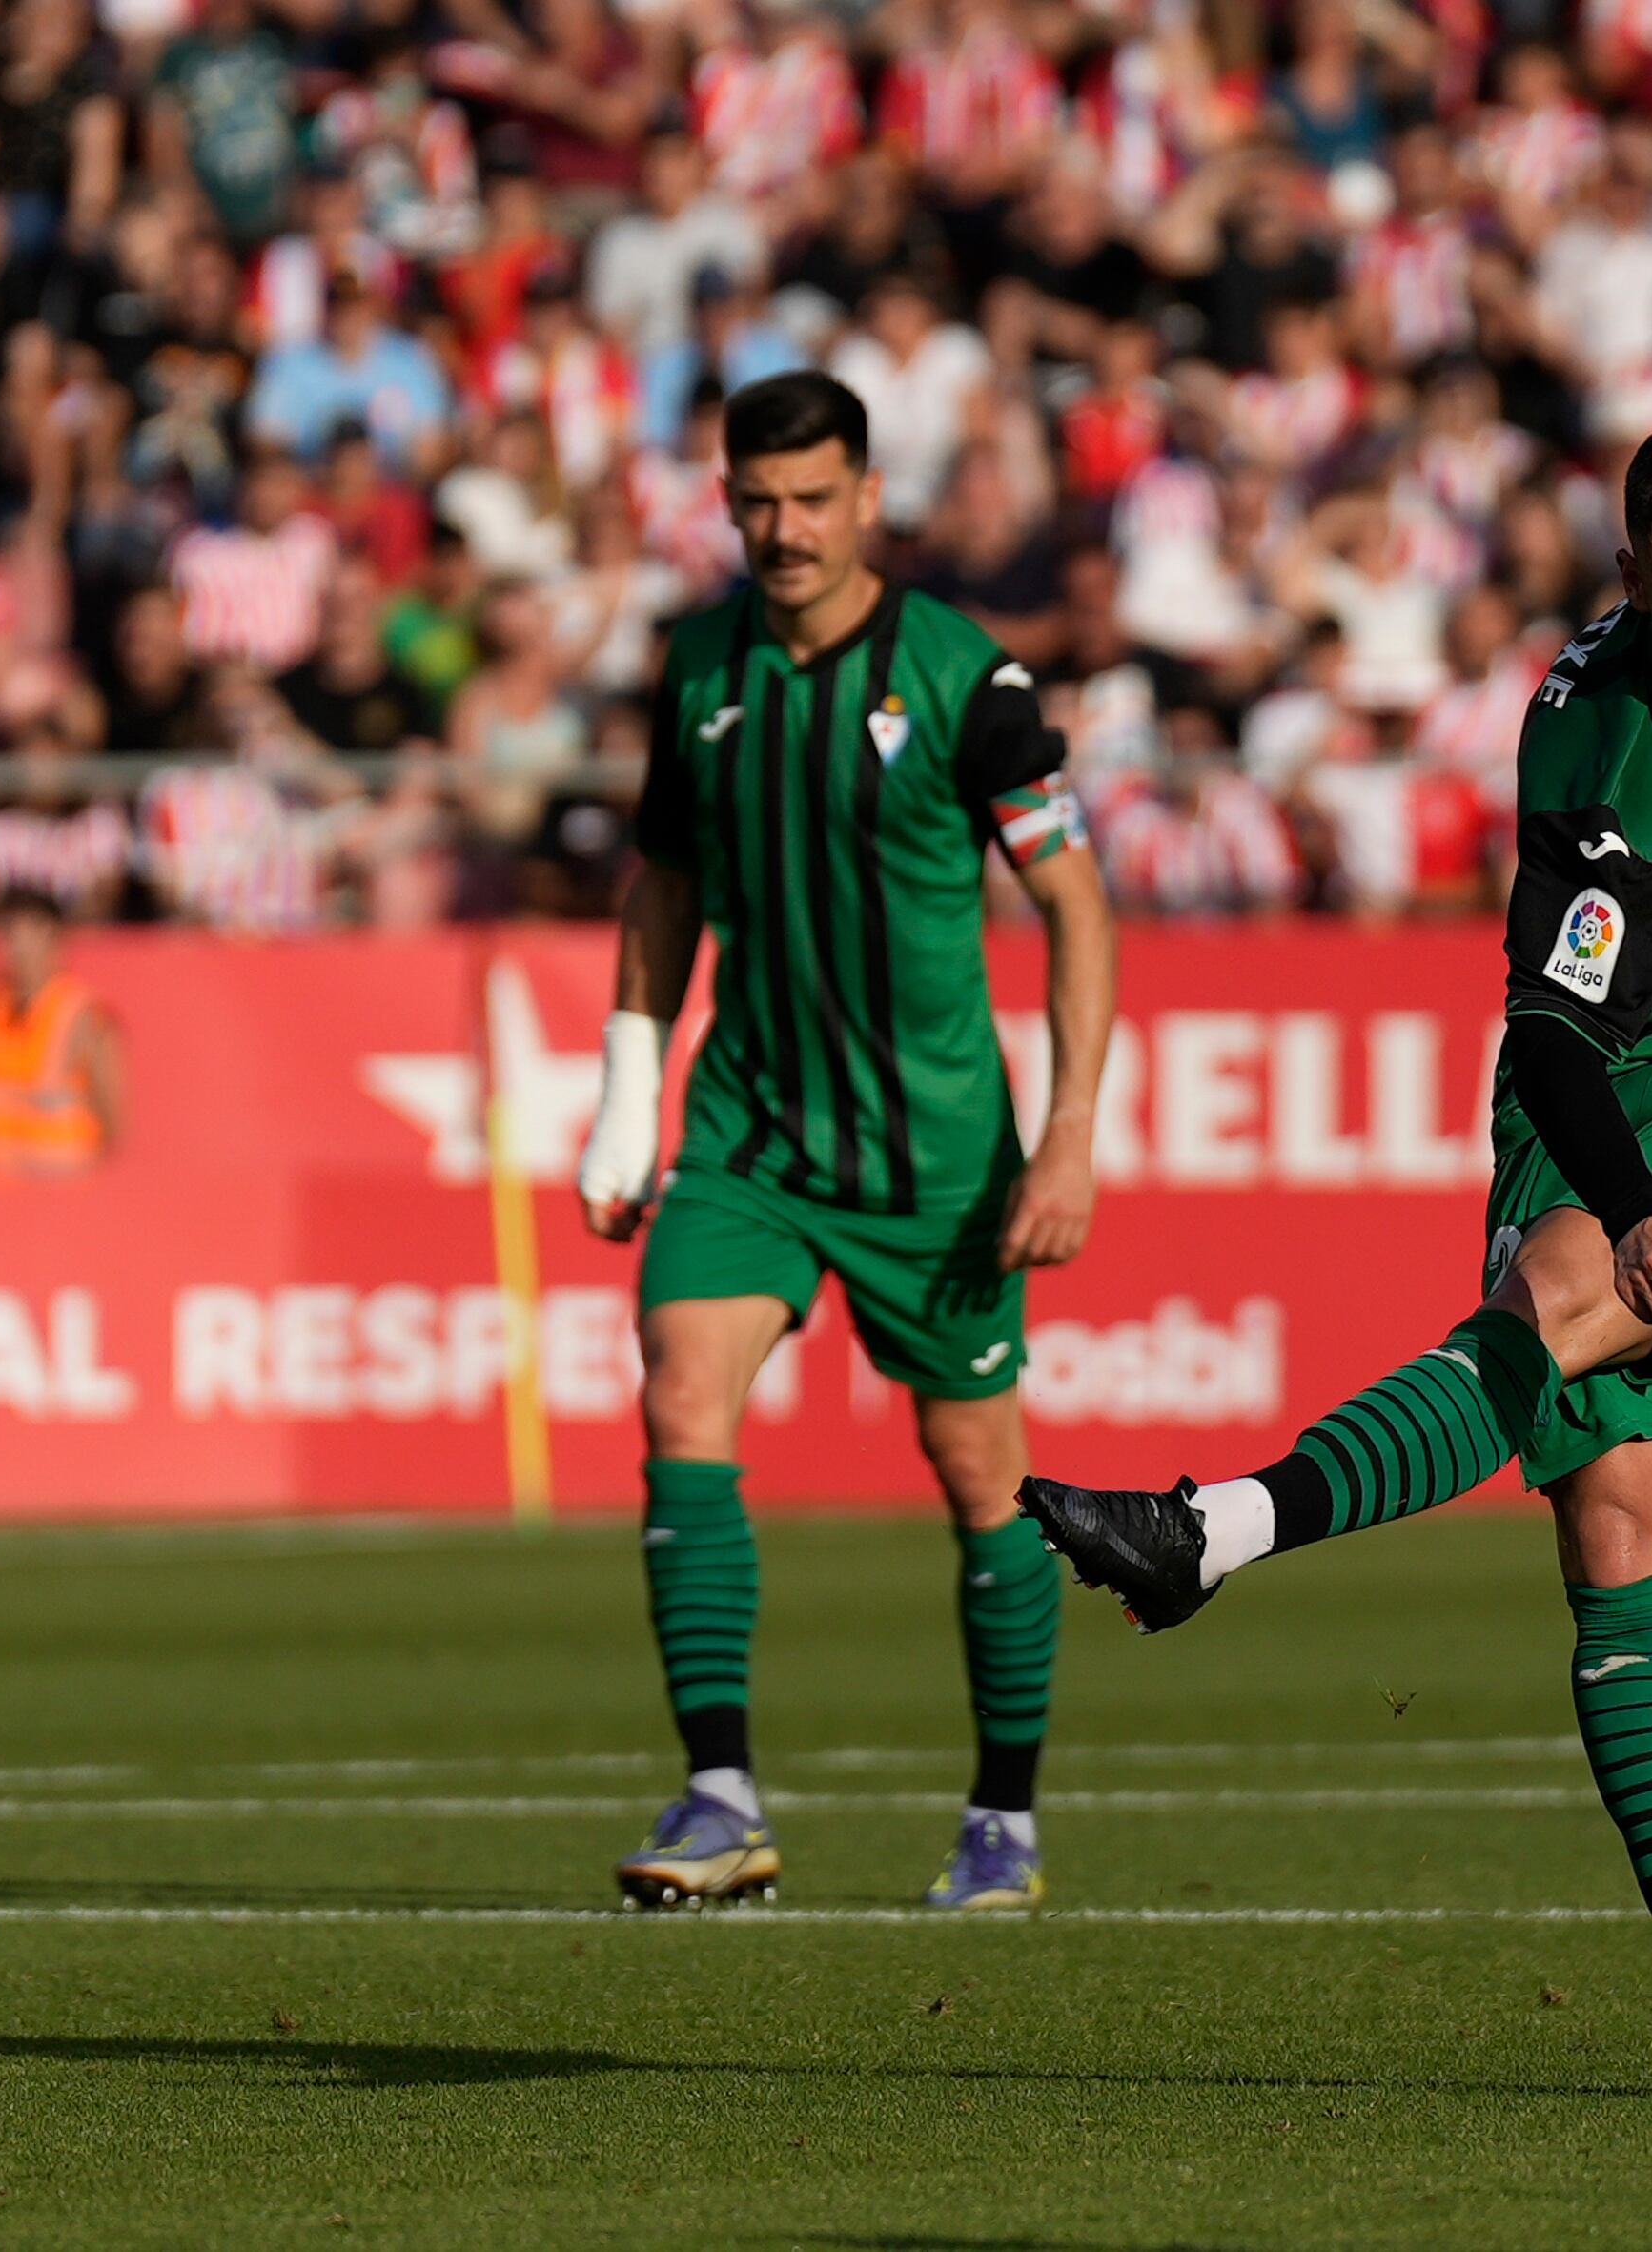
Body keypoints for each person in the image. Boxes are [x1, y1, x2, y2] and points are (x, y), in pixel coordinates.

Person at [1019, 414, 1652, 2098]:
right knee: (1617, 1506)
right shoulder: (1585, 748)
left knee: (1543, 1306)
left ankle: (1215, 1526)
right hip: (1595, 1084)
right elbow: (1557, 1041)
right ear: (1634, 579)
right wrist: (1636, 1202)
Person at [574, 370, 1117, 1914]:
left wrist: (1067, 1136)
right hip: (748, 1126)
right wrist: (627, 1093)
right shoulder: (696, 667)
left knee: (975, 1471)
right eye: (756, 499)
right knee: (680, 1388)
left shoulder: (966, 682)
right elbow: (663, 886)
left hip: (931, 1158)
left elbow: (1074, 906)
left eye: (814, 498)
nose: (783, 527)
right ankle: (719, 1796)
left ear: (868, 499)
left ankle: (1002, 1813)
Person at [0, 889, 122, 1176]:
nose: (12, 948)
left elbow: (113, 1122)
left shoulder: (84, 1016)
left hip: (60, 1196)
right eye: (4, 935)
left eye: (21, 934)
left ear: (52, 937)